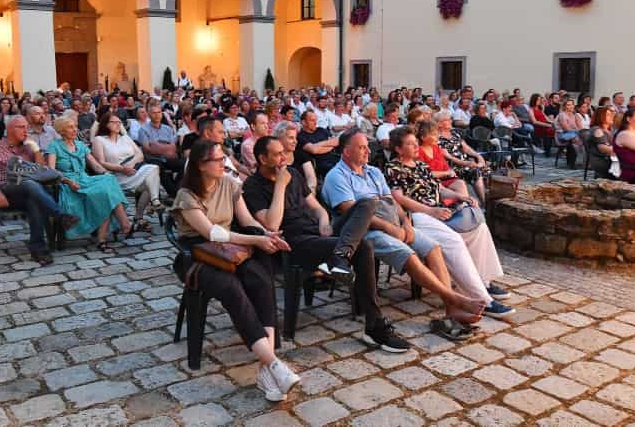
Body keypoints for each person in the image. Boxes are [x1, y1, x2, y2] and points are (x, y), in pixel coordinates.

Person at [244, 135, 412, 352]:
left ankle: (339, 258)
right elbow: (272, 223)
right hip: (294, 242)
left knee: (367, 204)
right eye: (277, 154)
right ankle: (374, 325)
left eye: (284, 152)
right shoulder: (253, 186)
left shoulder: (293, 174)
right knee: (364, 247)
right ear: (262, 158)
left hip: (318, 232)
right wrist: (280, 186)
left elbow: (316, 207)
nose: (284, 157)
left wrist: (324, 222)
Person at [321, 132, 486, 339]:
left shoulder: (373, 171)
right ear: (346, 151)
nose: (368, 151)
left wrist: (406, 223)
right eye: (362, 147)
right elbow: (351, 212)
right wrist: (391, 229)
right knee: (408, 254)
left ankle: (451, 309)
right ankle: (455, 298)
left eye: (367, 146)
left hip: (394, 222)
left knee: (434, 247)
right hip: (365, 231)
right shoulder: (337, 176)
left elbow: (393, 202)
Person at [172, 140, 299, 402]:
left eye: (224, 158)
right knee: (232, 289)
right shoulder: (187, 195)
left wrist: (267, 235)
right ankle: (274, 363)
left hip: (230, 252)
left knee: (261, 280)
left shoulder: (230, 184)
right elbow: (211, 232)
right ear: (200, 165)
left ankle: (267, 368)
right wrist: (255, 241)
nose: (224, 163)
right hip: (198, 256)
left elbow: (248, 221)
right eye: (217, 160)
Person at [385, 126, 513, 319]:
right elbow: (398, 198)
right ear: (398, 149)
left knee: (479, 228)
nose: (415, 146)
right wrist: (430, 210)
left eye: (415, 142)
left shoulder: (420, 165)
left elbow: (439, 190)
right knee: (454, 241)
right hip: (417, 215)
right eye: (410, 144)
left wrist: (460, 196)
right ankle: (482, 299)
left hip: (438, 210)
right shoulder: (393, 167)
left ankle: (483, 281)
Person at [0, 117, 81, 265]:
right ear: (9, 130)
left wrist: (35, 148)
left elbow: (43, 170)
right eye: (21, 127)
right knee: (29, 184)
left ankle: (38, 249)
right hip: (6, 189)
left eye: (26, 127)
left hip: (29, 192)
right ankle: (59, 216)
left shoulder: (27, 148)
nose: (25, 131)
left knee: (34, 198)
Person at [47, 115, 132, 252]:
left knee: (108, 181)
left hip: (85, 179)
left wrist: (105, 173)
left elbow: (96, 166)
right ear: (62, 131)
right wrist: (67, 181)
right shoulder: (54, 146)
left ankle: (115, 230)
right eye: (70, 127)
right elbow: (51, 171)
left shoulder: (80, 145)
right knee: (104, 193)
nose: (75, 130)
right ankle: (118, 229)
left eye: (75, 127)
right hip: (68, 183)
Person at [93, 110, 162, 234]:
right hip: (115, 176)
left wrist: (131, 163)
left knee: (153, 169)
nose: (118, 124)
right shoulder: (99, 140)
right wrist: (121, 168)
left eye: (120, 122)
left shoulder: (125, 138)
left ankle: (150, 206)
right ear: (106, 124)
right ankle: (152, 204)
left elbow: (140, 154)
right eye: (114, 122)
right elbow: (101, 162)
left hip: (132, 171)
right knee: (150, 182)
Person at [434, 111, 490, 203]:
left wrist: (478, 156)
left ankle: (490, 199)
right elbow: (448, 157)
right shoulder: (437, 138)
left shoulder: (455, 133)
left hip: (466, 164)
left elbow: (466, 148)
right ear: (439, 124)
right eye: (448, 120)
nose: (451, 121)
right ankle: (484, 203)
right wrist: (468, 163)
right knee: (475, 172)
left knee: (485, 169)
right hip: (452, 167)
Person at [415, 120, 471, 197]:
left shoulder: (436, 148)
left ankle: (467, 206)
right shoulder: (418, 151)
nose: (437, 136)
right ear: (423, 137)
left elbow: (445, 166)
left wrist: (449, 172)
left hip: (444, 179)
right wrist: (446, 173)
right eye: (434, 134)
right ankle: (465, 204)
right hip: (431, 182)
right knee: (458, 195)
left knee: (460, 183)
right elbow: (426, 174)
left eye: (437, 133)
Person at [139, 104, 184, 196]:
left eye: (159, 112)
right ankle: (173, 193)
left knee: (186, 163)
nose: (157, 115)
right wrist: (166, 149)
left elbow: (173, 147)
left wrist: (157, 146)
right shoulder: (143, 129)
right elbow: (147, 149)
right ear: (149, 115)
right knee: (158, 167)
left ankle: (175, 187)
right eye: (154, 113)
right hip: (152, 159)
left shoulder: (167, 129)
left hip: (168, 157)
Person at [297, 110, 340, 178]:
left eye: (316, 120)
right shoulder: (300, 136)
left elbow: (337, 141)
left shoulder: (321, 130)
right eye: (312, 120)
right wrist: (330, 145)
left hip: (333, 156)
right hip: (319, 163)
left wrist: (318, 145)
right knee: (338, 170)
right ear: (304, 122)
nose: (315, 123)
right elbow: (314, 150)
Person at [586, 106, 618, 179]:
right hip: (602, 161)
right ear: (601, 117)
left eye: (611, 114)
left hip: (609, 158)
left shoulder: (608, 130)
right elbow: (603, 148)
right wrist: (621, 150)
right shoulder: (597, 130)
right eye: (608, 115)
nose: (612, 116)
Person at [554, 99, 584, 168]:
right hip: (561, 135)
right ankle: (572, 163)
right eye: (568, 105)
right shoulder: (562, 115)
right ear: (564, 106)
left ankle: (572, 162)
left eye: (572, 104)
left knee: (576, 139)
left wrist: (579, 131)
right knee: (576, 138)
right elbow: (566, 129)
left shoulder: (573, 115)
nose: (571, 106)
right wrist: (578, 132)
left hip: (572, 135)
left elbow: (576, 127)